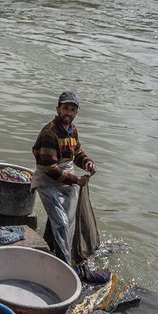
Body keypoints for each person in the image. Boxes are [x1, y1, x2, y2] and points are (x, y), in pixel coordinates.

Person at [31, 91, 107, 282]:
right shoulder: (50, 132)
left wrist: (88, 162)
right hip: (48, 183)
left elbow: (77, 153)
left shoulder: (73, 131)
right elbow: (49, 168)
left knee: (62, 222)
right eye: (65, 108)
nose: (69, 113)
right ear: (58, 109)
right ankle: (67, 274)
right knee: (63, 226)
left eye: (72, 110)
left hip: (66, 180)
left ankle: (48, 250)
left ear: (76, 113)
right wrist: (76, 180)